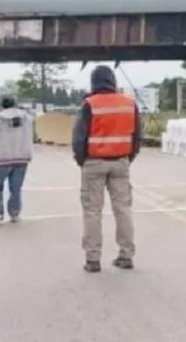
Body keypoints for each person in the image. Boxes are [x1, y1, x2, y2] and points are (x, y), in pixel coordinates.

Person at [73, 65, 142, 274]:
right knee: (123, 209)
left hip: (94, 162)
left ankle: (93, 259)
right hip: (121, 162)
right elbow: (137, 136)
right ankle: (126, 255)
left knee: (93, 211)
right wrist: (128, 157)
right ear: (113, 81)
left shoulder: (90, 104)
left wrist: (82, 160)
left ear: (94, 82)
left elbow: (79, 137)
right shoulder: (130, 104)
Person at [0, 97, 34, 224]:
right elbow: (32, 135)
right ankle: (15, 213)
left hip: (2, 157)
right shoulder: (27, 118)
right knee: (16, 188)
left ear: (3, 105)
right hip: (22, 156)